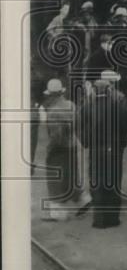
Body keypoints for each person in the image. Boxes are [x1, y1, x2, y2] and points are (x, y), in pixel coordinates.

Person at [79, 72, 127, 228]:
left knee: (97, 182)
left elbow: (81, 123)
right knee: (114, 181)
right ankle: (113, 218)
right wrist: (122, 142)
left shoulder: (89, 102)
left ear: (95, 89)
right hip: (114, 147)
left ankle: (99, 220)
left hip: (96, 148)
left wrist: (86, 142)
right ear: (109, 88)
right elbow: (126, 123)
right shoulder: (119, 100)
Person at [41, 79, 91, 220]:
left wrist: (50, 148)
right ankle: (82, 199)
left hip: (58, 148)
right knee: (70, 175)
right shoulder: (71, 105)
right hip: (72, 145)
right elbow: (78, 124)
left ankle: (59, 213)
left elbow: (56, 136)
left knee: (55, 180)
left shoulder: (53, 112)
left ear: (50, 95)